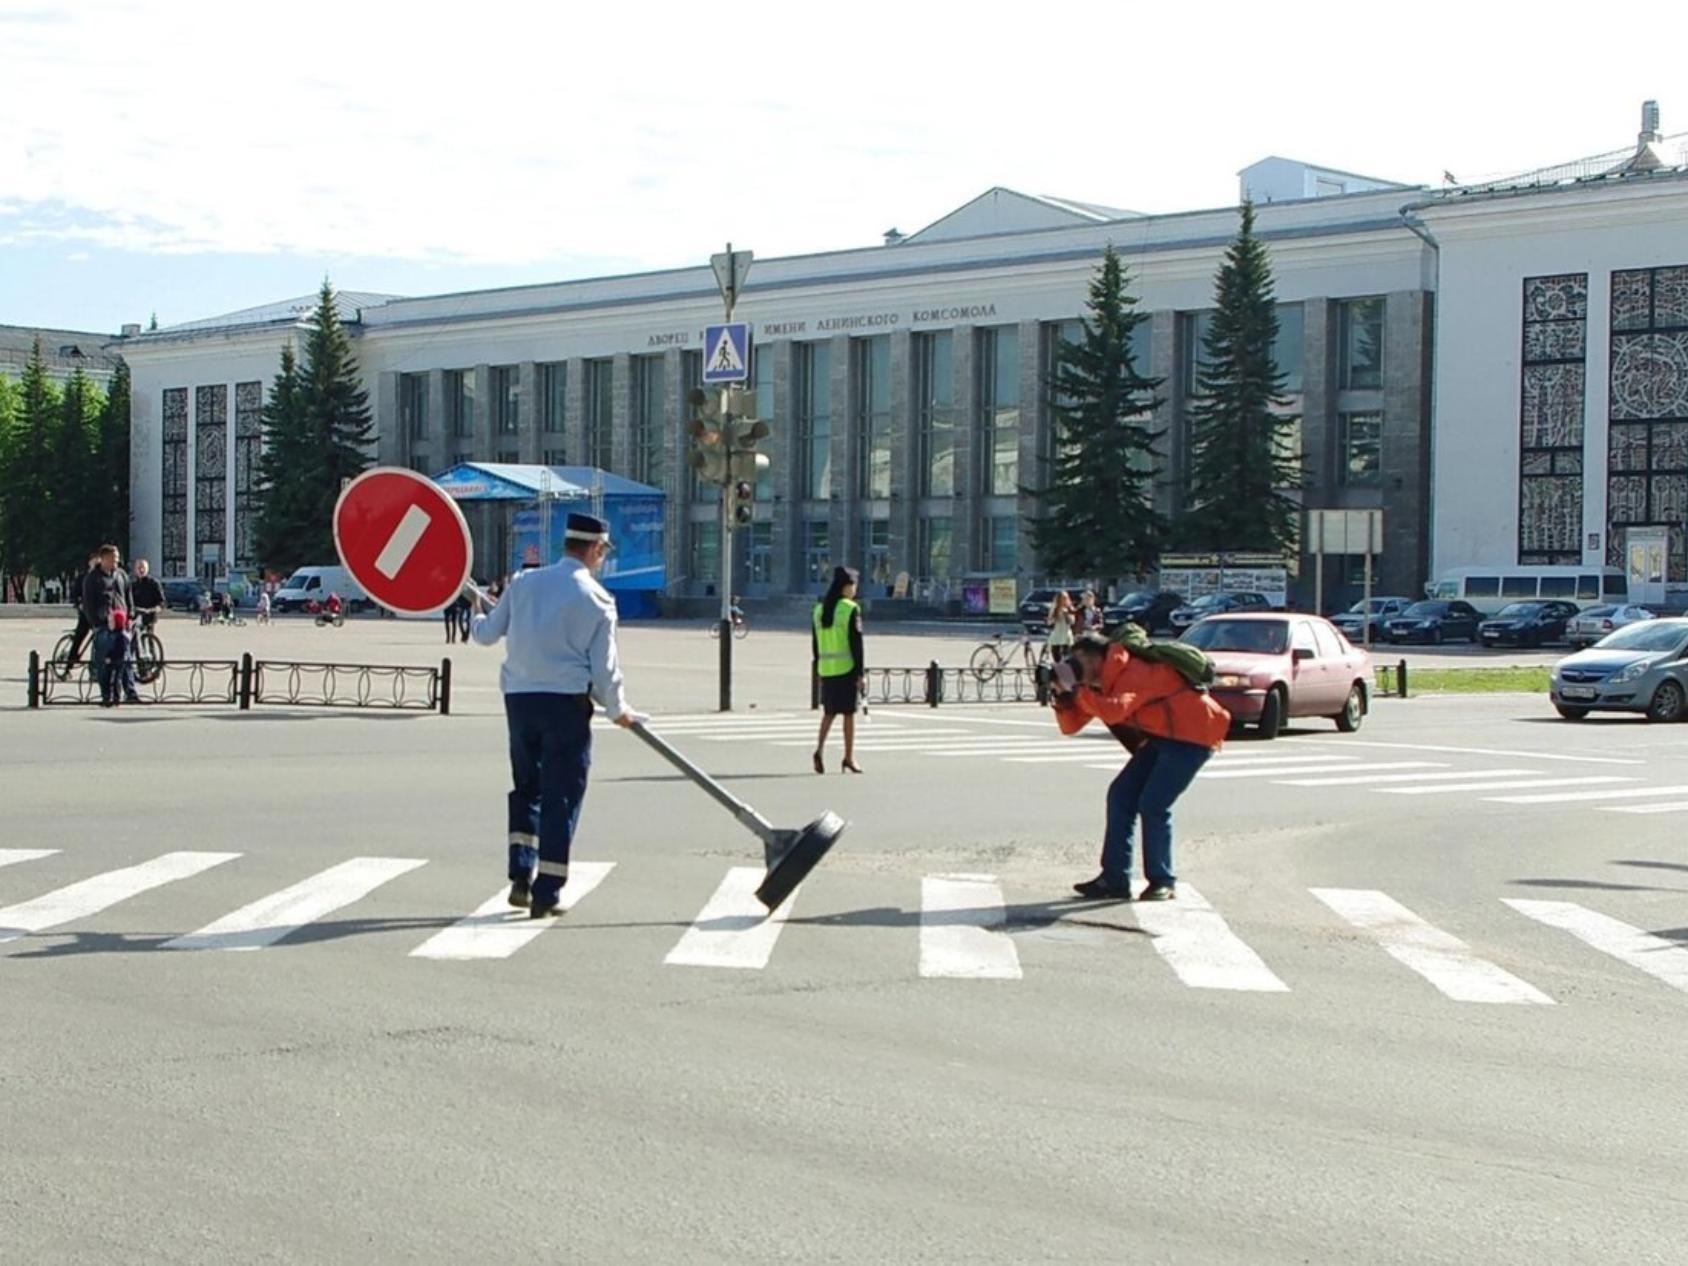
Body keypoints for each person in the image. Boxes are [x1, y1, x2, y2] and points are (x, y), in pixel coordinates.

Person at [471, 512, 640, 920]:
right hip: (565, 705)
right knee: (560, 797)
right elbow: (604, 669)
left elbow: (487, 634)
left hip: (520, 702)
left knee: (526, 789)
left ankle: (519, 875)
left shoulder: (524, 582)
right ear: (596, 549)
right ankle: (547, 891)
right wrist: (618, 709)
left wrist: (478, 612)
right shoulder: (597, 599)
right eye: (603, 552)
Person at [1051, 632, 1230, 901]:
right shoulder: (1099, 683)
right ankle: (1114, 880)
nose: (1074, 667)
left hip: (1194, 734)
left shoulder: (1134, 671)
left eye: (1078, 661)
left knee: (1154, 804)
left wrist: (1077, 690)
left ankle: (1163, 880)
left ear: (1097, 658)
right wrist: (1062, 697)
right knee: (1121, 795)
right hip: (1161, 736)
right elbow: (1070, 727)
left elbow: (1114, 711)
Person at [811, 565, 865, 775]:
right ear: (846, 586)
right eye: (854, 586)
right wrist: (860, 674)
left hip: (826, 668)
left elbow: (815, 644)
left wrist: (818, 669)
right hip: (847, 668)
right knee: (849, 715)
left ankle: (819, 749)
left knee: (829, 713)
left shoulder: (819, 610)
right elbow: (856, 644)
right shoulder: (850, 609)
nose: (855, 590)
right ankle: (849, 757)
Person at [82, 544, 139, 705]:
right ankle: (107, 695)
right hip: (104, 627)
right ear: (103, 558)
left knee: (126, 660)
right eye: (113, 558)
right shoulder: (93, 578)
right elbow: (88, 603)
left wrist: (131, 615)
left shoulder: (121, 575)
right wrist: (97, 623)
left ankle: (130, 693)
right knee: (105, 663)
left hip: (123, 625)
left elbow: (128, 596)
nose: (116, 561)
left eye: (117, 558)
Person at [65, 553, 101, 668]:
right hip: (85, 614)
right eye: (94, 562)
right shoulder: (83, 577)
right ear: (89, 563)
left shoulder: (102, 577)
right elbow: (74, 595)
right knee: (79, 637)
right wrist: (79, 604)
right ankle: (68, 665)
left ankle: (95, 667)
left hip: (98, 614)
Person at [101, 608, 137, 707]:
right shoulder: (113, 634)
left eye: (111, 622)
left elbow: (119, 650)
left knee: (116, 679)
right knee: (109, 679)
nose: (109, 624)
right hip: (113, 660)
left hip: (117, 661)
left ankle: (114, 698)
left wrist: (110, 657)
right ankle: (108, 697)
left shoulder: (120, 636)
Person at [130, 559, 164, 633]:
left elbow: (161, 601)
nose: (141, 570)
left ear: (147, 569)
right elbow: (130, 600)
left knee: (150, 635)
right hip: (136, 614)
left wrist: (156, 608)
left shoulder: (154, 583)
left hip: (150, 614)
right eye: (139, 568)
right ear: (135, 570)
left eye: (143, 568)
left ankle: (150, 642)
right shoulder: (133, 585)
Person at [1046, 590, 1076, 662]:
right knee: (1057, 657)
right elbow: (1049, 622)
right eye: (1062, 598)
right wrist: (1055, 617)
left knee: (1067, 657)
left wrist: (1066, 615)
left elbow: (1072, 622)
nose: (1064, 601)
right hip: (1057, 635)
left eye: (1065, 598)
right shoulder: (1054, 609)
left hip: (1066, 635)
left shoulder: (1070, 608)